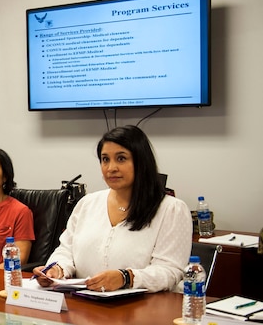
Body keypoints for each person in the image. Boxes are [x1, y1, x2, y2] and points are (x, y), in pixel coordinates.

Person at [33, 125, 191, 293]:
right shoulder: (87, 204)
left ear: (141, 161)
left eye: (121, 158)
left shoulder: (172, 209)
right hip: (85, 305)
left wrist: (126, 278)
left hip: (144, 309)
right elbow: (66, 250)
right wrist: (57, 269)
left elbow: (170, 271)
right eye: (105, 159)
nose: (111, 168)